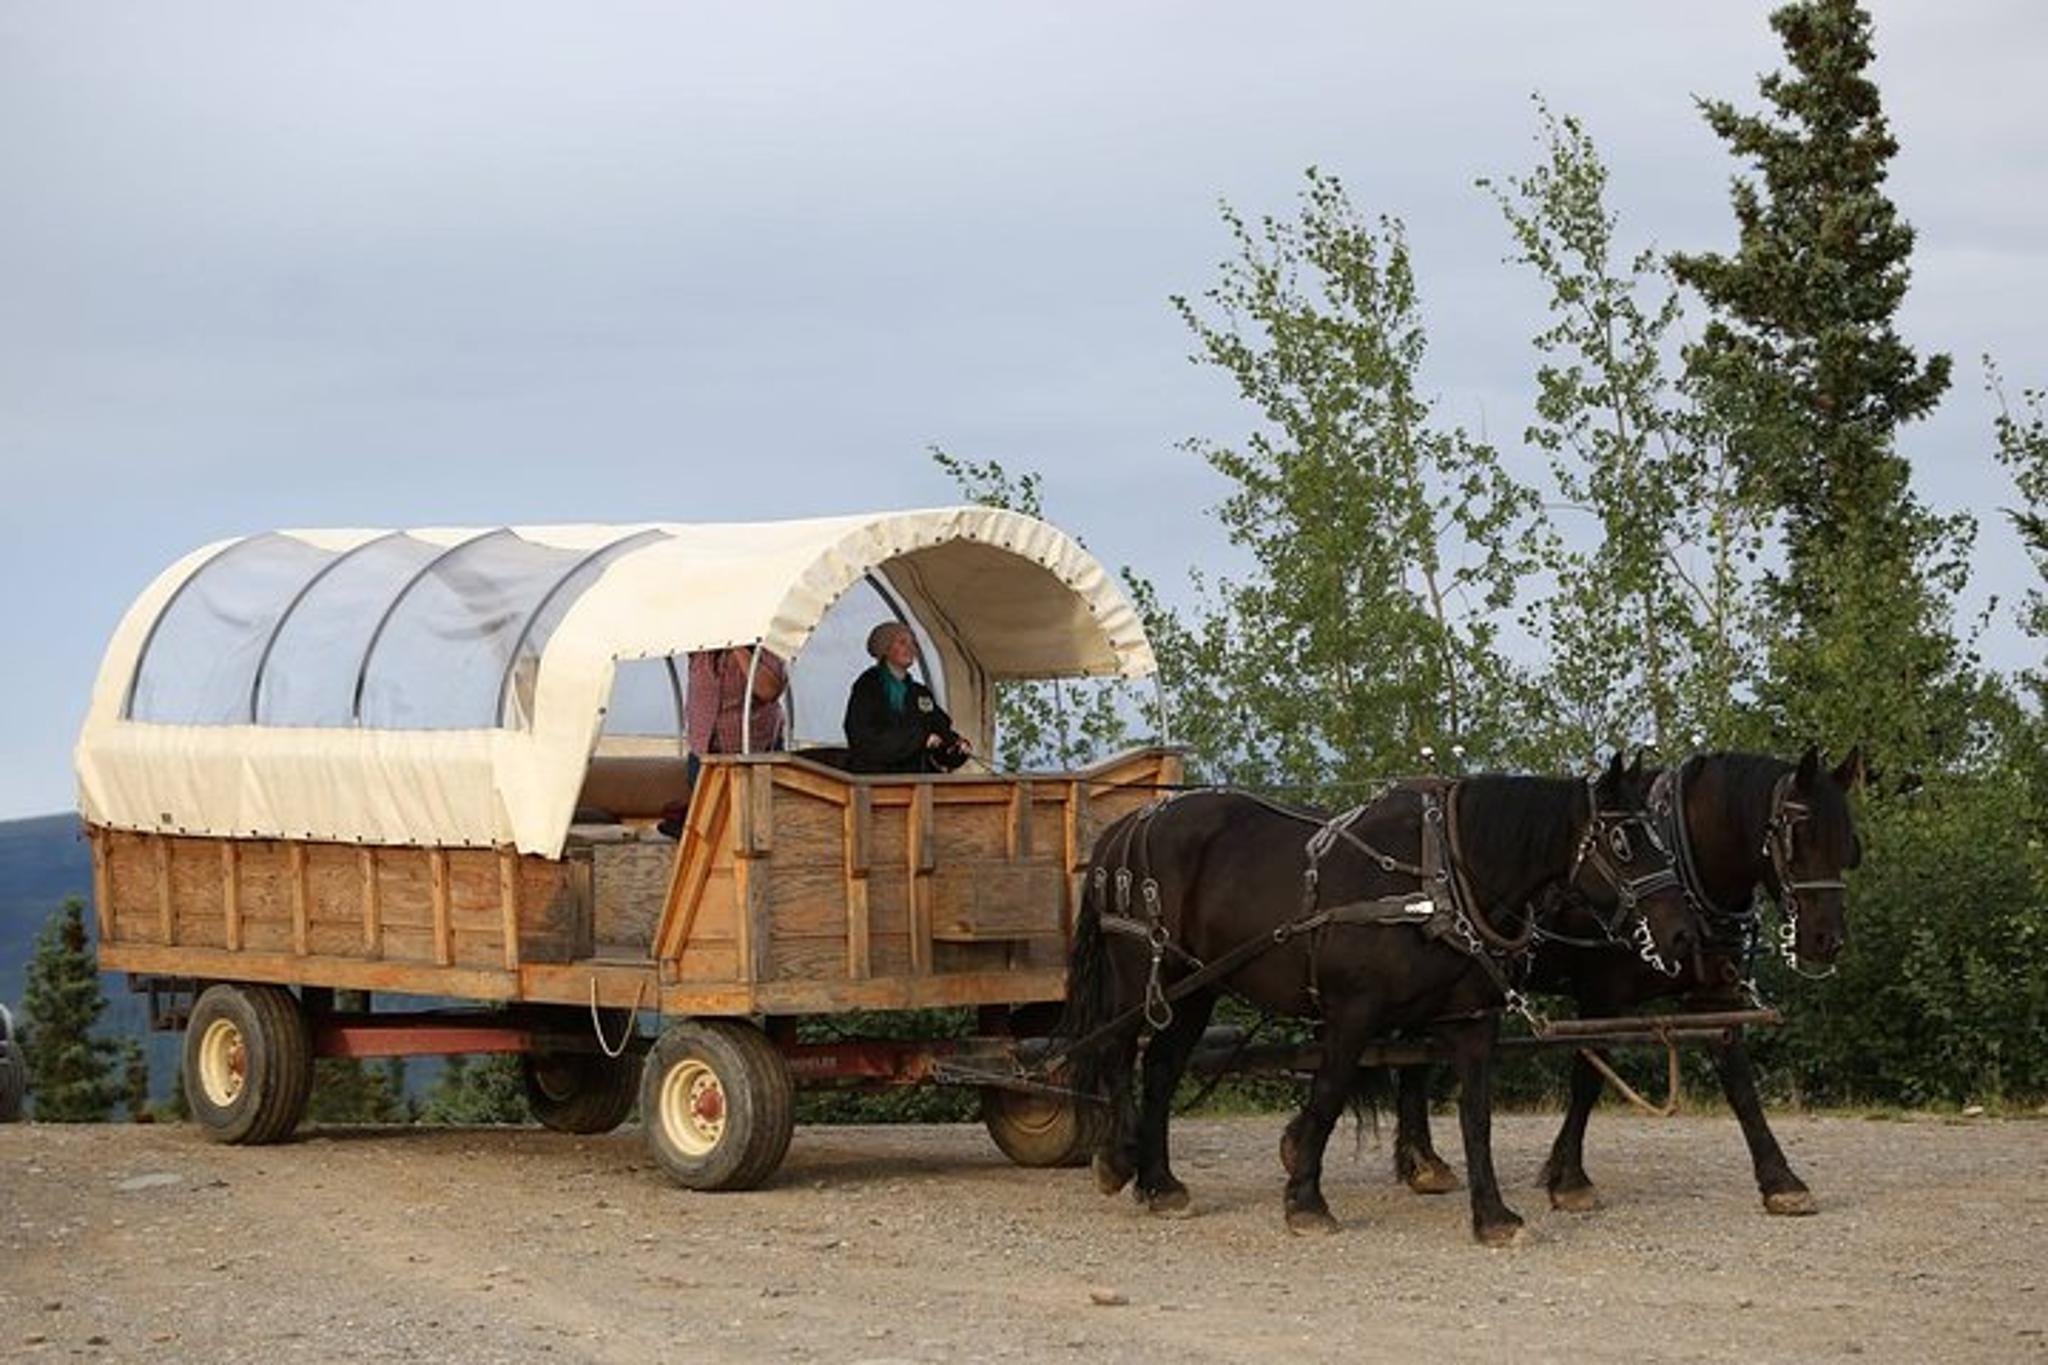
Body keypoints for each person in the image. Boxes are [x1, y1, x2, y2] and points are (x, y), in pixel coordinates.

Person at [844, 622, 970, 773]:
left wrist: (955, 746)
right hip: (876, 780)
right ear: (885, 649)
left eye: (913, 644)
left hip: (918, 783)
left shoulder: (920, 693)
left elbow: (938, 730)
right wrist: (919, 740)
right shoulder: (868, 686)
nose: (910, 649)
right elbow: (862, 737)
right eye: (902, 642)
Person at [686, 645, 787, 759]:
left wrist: (736, 644)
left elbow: (770, 690)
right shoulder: (702, 645)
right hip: (702, 754)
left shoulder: (762, 641)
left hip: (754, 755)